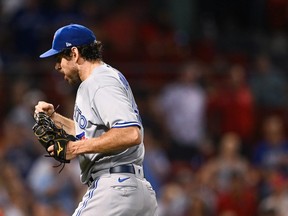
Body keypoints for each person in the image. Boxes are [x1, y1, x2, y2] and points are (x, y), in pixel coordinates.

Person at [34, 23, 158, 216]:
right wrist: (55, 118)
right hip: (130, 189)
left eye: (59, 58)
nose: (57, 66)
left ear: (74, 53)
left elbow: (131, 133)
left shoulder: (99, 82)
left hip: (115, 189)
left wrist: (74, 148)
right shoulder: (99, 81)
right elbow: (89, 133)